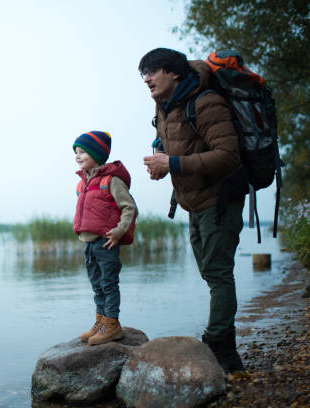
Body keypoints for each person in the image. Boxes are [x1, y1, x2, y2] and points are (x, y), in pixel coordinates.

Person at [139, 48, 246, 374]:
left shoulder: (206, 102)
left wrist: (172, 163)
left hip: (219, 201)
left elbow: (229, 156)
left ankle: (220, 348)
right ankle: (224, 353)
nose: (146, 79)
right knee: (211, 274)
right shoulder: (166, 105)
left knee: (218, 276)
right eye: (143, 73)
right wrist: (160, 158)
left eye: (152, 71)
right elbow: (167, 139)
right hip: (193, 202)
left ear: (174, 72)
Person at [73, 130, 137, 346]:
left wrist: (119, 231)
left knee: (108, 284)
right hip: (89, 243)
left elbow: (129, 207)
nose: (78, 156)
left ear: (97, 154)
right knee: (97, 285)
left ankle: (112, 324)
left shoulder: (111, 181)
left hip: (106, 241)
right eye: (76, 152)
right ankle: (100, 321)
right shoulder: (83, 183)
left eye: (82, 152)